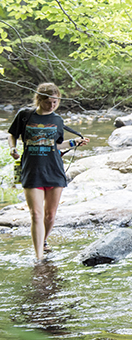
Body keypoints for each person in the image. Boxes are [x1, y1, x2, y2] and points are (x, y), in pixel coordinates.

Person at [7, 83, 89, 262]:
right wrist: (13, 148)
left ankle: (43, 240)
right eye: (48, 102)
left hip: (54, 169)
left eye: (55, 102)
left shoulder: (58, 120)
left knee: (50, 215)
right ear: (39, 99)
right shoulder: (25, 115)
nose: (52, 105)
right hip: (31, 169)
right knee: (36, 214)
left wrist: (74, 143)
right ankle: (39, 258)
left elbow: (56, 145)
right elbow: (11, 134)